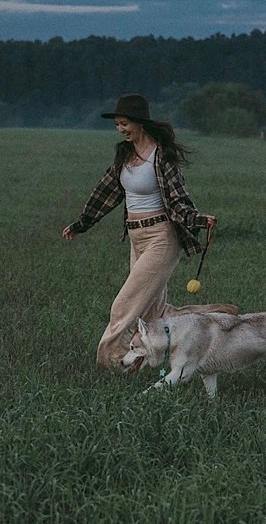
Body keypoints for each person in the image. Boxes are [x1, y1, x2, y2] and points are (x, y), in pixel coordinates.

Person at [62, 93, 215, 370]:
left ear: (140, 123)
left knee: (124, 305)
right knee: (152, 312)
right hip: (136, 237)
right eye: (117, 125)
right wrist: (81, 223)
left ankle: (109, 364)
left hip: (161, 238)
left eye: (124, 123)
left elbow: (178, 199)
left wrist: (198, 219)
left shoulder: (161, 156)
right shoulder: (124, 154)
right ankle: (143, 365)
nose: (120, 129)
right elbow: (106, 192)